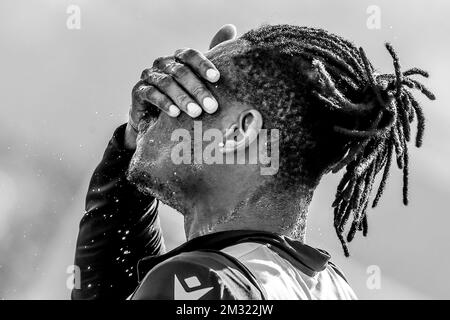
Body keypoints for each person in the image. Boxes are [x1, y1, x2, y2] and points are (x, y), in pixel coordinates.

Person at [72, 24, 435, 300]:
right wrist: (134, 143)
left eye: (185, 93)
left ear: (237, 133)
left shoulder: (203, 282)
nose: (159, 104)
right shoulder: (329, 288)